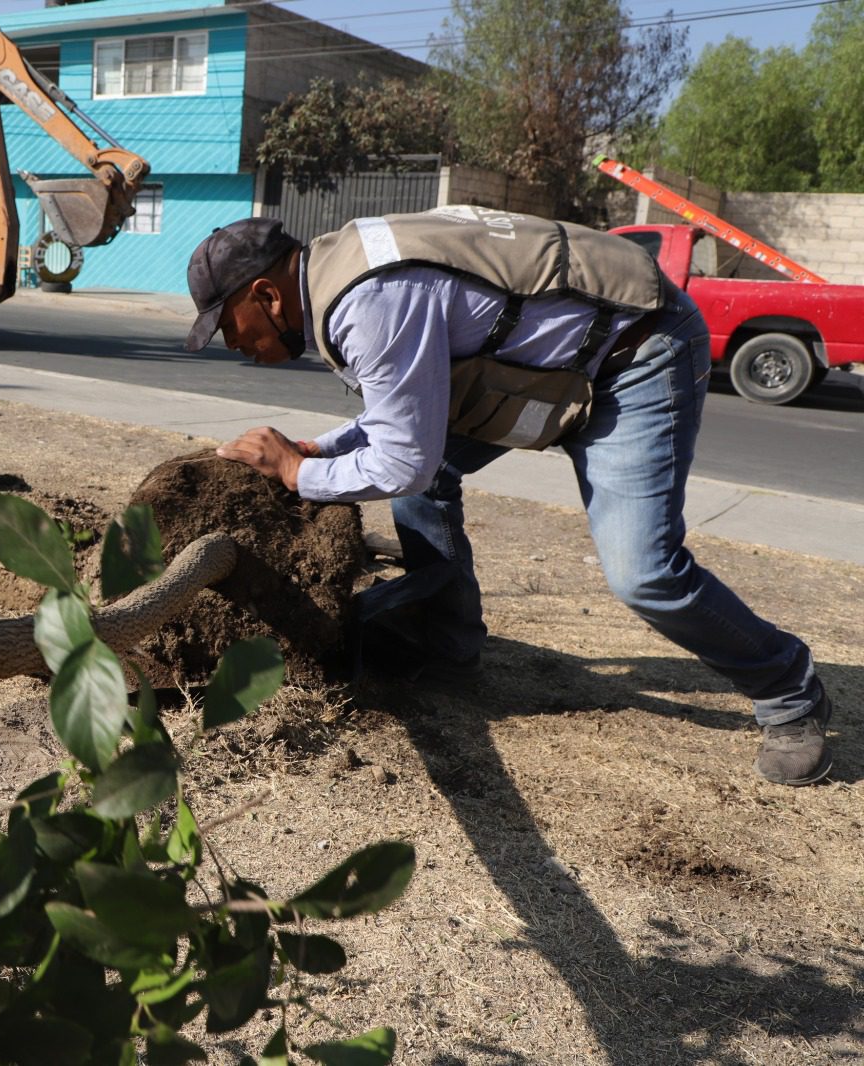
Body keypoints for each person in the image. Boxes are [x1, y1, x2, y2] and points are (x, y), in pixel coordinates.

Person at [184, 209, 835, 786]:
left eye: (231, 327)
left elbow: (403, 459)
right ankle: (449, 646)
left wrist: (298, 474)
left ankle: (789, 689)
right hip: (546, 373)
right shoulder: (344, 272)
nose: (236, 345)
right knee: (429, 481)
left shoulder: (366, 301)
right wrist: (321, 450)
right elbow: (406, 413)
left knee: (644, 572)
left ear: (266, 294)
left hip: (632, 355)